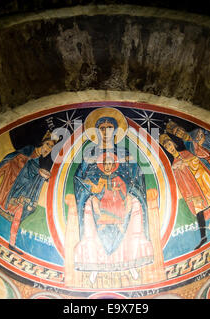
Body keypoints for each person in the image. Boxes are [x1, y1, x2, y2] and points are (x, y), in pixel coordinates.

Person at [73, 109, 154, 283]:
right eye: (101, 127)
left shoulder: (124, 153)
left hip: (121, 196)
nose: (105, 130)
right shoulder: (90, 155)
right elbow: (79, 179)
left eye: (109, 127)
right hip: (98, 197)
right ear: (97, 131)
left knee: (135, 205)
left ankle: (131, 262)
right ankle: (94, 264)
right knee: (90, 207)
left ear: (115, 131)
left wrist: (130, 193)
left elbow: (136, 177)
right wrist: (92, 193)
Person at [0, 131, 58, 254]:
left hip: (18, 186)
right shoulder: (29, 150)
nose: (48, 149)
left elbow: (30, 176)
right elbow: (14, 157)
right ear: (42, 143)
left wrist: (41, 176)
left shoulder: (38, 162)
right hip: (8, 175)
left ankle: (12, 243)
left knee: (19, 210)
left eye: (51, 148)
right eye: (48, 144)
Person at [159, 133, 210, 250]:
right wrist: (176, 169)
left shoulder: (185, 153)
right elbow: (181, 182)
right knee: (199, 211)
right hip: (192, 188)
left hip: (202, 181)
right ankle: (203, 237)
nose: (170, 148)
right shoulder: (174, 164)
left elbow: (196, 161)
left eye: (170, 144)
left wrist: (186, 163)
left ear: (173, 143)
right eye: (167, 147)